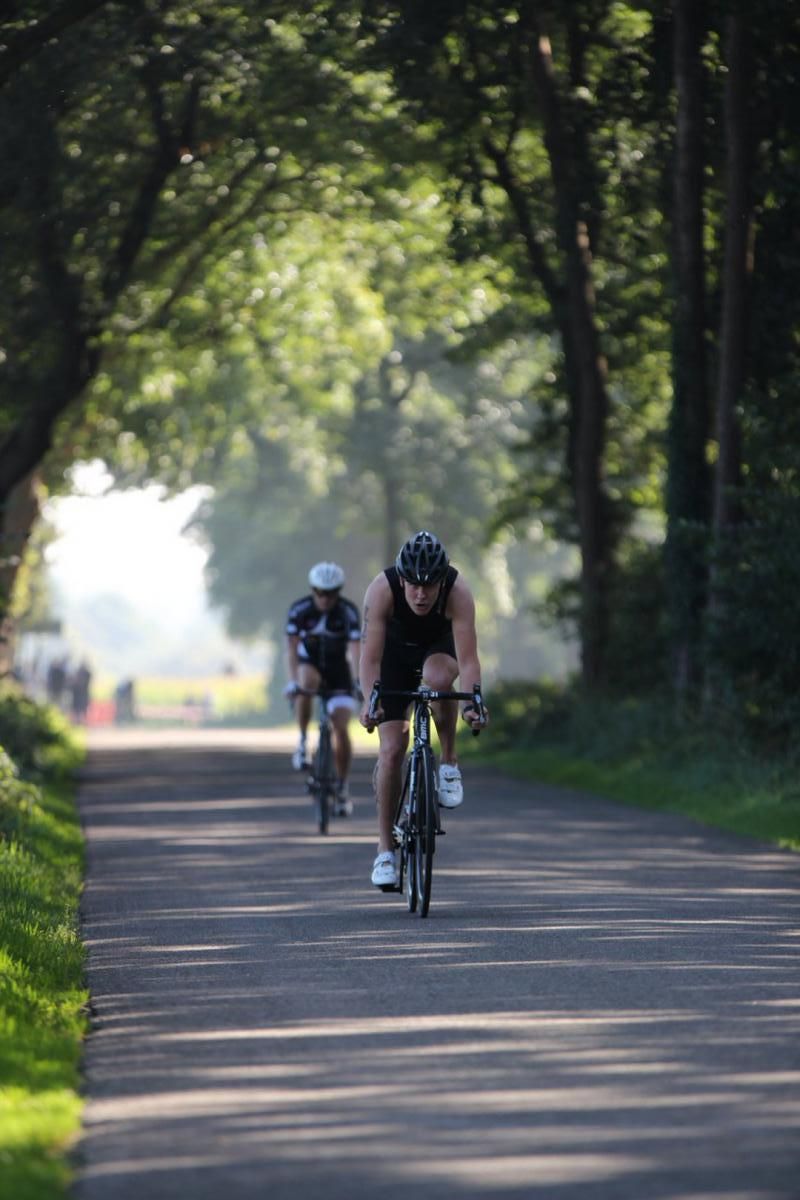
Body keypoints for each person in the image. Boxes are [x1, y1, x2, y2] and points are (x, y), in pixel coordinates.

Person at [359, 530, 488, 889]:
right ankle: (385, 850)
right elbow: (369, 659)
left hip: (439, 649)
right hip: (393, 658)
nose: (421, 593)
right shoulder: (381, 590)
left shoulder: (458, 591)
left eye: (429, 585)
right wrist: (370, 701)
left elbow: (469, 660)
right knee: (391, 750)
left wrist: (473, 703)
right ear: (401, 579)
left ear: (441, 581)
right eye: (414, 584)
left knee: (439, 679)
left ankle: (449, 762)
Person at [284, 561, 361, 815]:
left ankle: (342, 786)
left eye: (331, 593)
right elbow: (291, 649)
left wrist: (358, 681)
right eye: (319, 592)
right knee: (306, 683)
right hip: (310, 665)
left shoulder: (348, 612)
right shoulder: (300, 610)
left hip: (339, 671)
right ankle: (302, 741)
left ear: (338, 592)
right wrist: (292, 681)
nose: (325, 598)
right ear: (312, 590)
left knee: (341, 728)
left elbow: (355, 649)